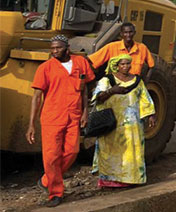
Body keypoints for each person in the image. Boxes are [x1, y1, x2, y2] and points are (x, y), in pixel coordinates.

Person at [26, 35, 95, 207]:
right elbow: (36, 97)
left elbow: (84, 89)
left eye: (58, 48)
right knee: (51, 157)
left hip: (74, 116)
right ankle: (55, 193)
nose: (54, 51)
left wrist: (86, 112)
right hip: (52, 118)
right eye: (52, 48)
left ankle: (46, 179)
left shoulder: (81, 63)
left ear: (67, 47)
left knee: (72, 152)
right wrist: (31, 124)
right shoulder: (45, 68)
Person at [91, 55, 156, 188]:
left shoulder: (137, 81)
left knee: (132, 151)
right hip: (111, 123)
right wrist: (111, 91)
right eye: (123, 64)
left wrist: (151, 115)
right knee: (111, 150)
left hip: (133, 124)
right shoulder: (107, 80)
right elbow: (98, 98)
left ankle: (131, 179)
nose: (125, 67)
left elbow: (145, 98)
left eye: (128, 64)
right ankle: (110, 180)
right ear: (117, 66)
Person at [88, 22, 154, 79]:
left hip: (133, 86)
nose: (128, 35)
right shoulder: (111, 47)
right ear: (121, 34)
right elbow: (91, 61)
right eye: (125, 32)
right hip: (115, 86)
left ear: (134, 33)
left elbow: (151, 66)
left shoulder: (142, 48)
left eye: (130, 32)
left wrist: (145, 82)